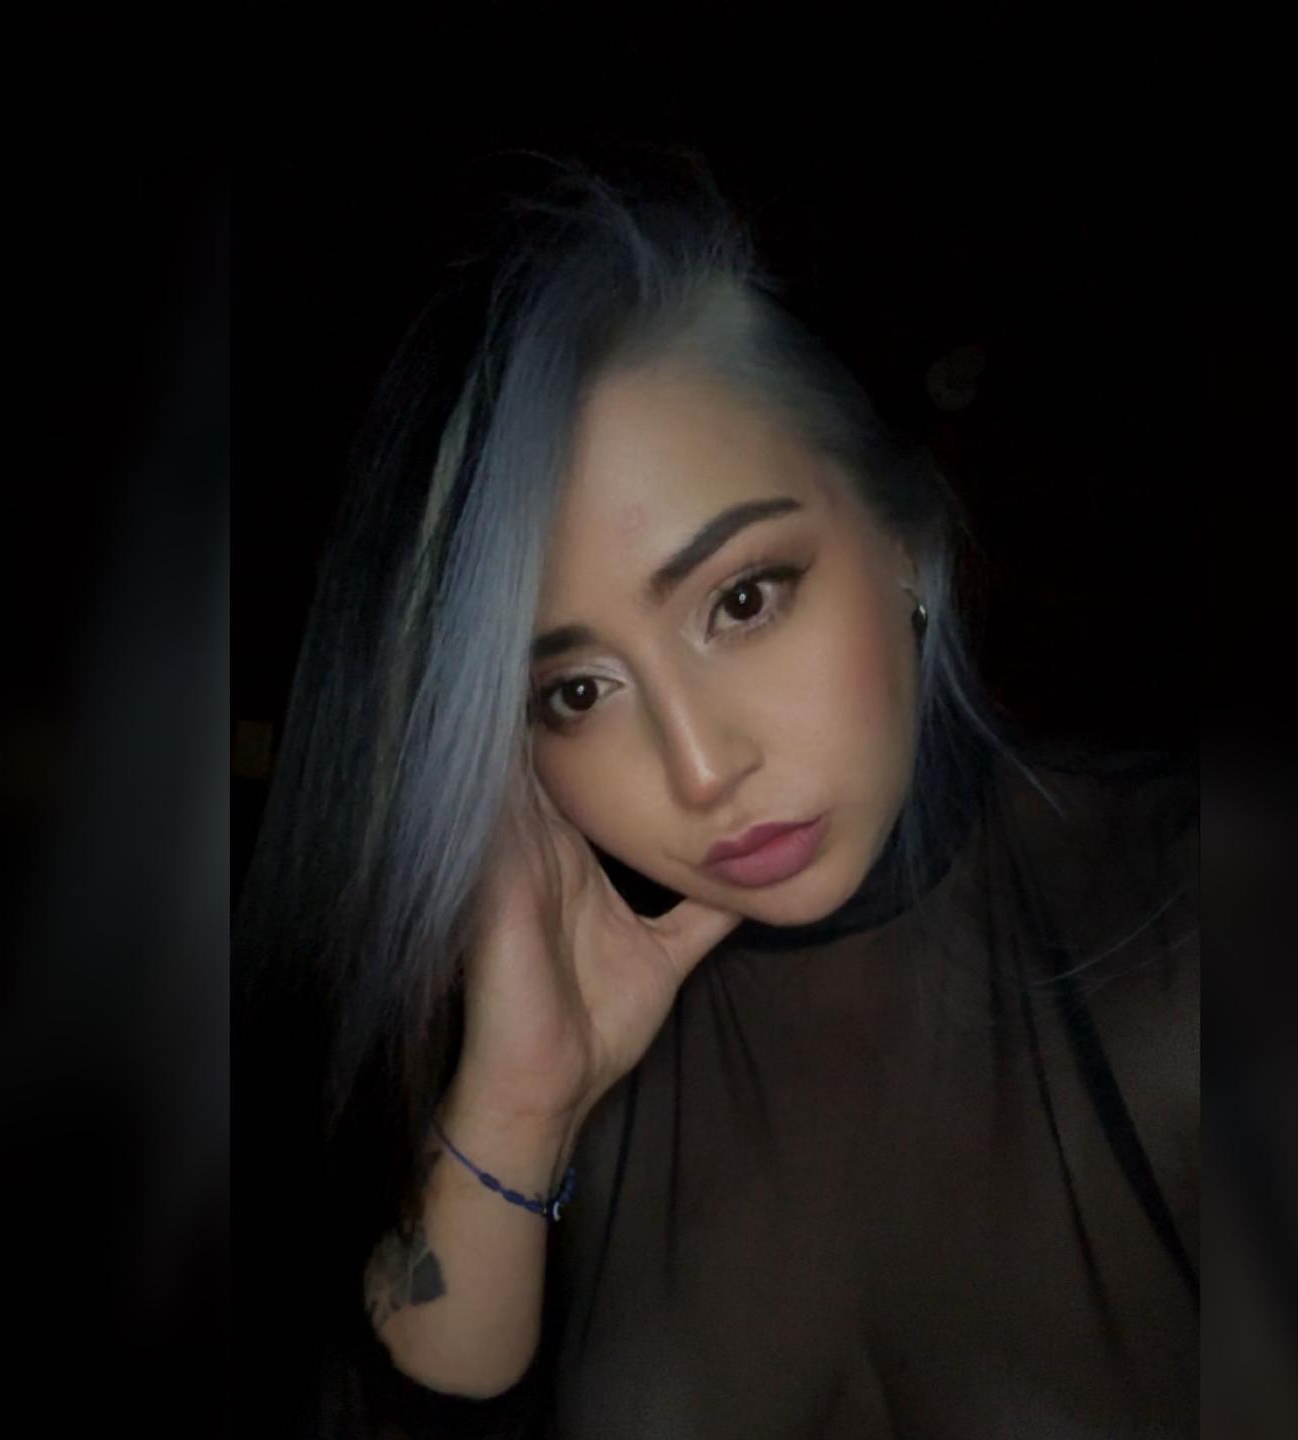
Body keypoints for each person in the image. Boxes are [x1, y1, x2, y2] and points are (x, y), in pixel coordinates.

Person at [235, 148, 1198, 1438]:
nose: (698, 771)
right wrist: (519, 1107)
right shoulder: (562, 1049)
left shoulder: (1208, 920)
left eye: (742, 599)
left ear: (905, 538)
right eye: (577, 691)